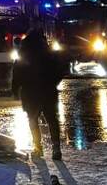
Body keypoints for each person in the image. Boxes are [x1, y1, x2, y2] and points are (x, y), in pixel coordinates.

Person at [10, 30, 66, 160]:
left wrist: (15, 90)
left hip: (30, 93)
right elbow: (59, 71)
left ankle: (38, 147)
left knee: (32, 119)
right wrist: (53, 83)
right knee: (52, 119)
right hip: (48, 92)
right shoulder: (49, 55)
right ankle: (56, 148)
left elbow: (16, 74)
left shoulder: (23, 54)